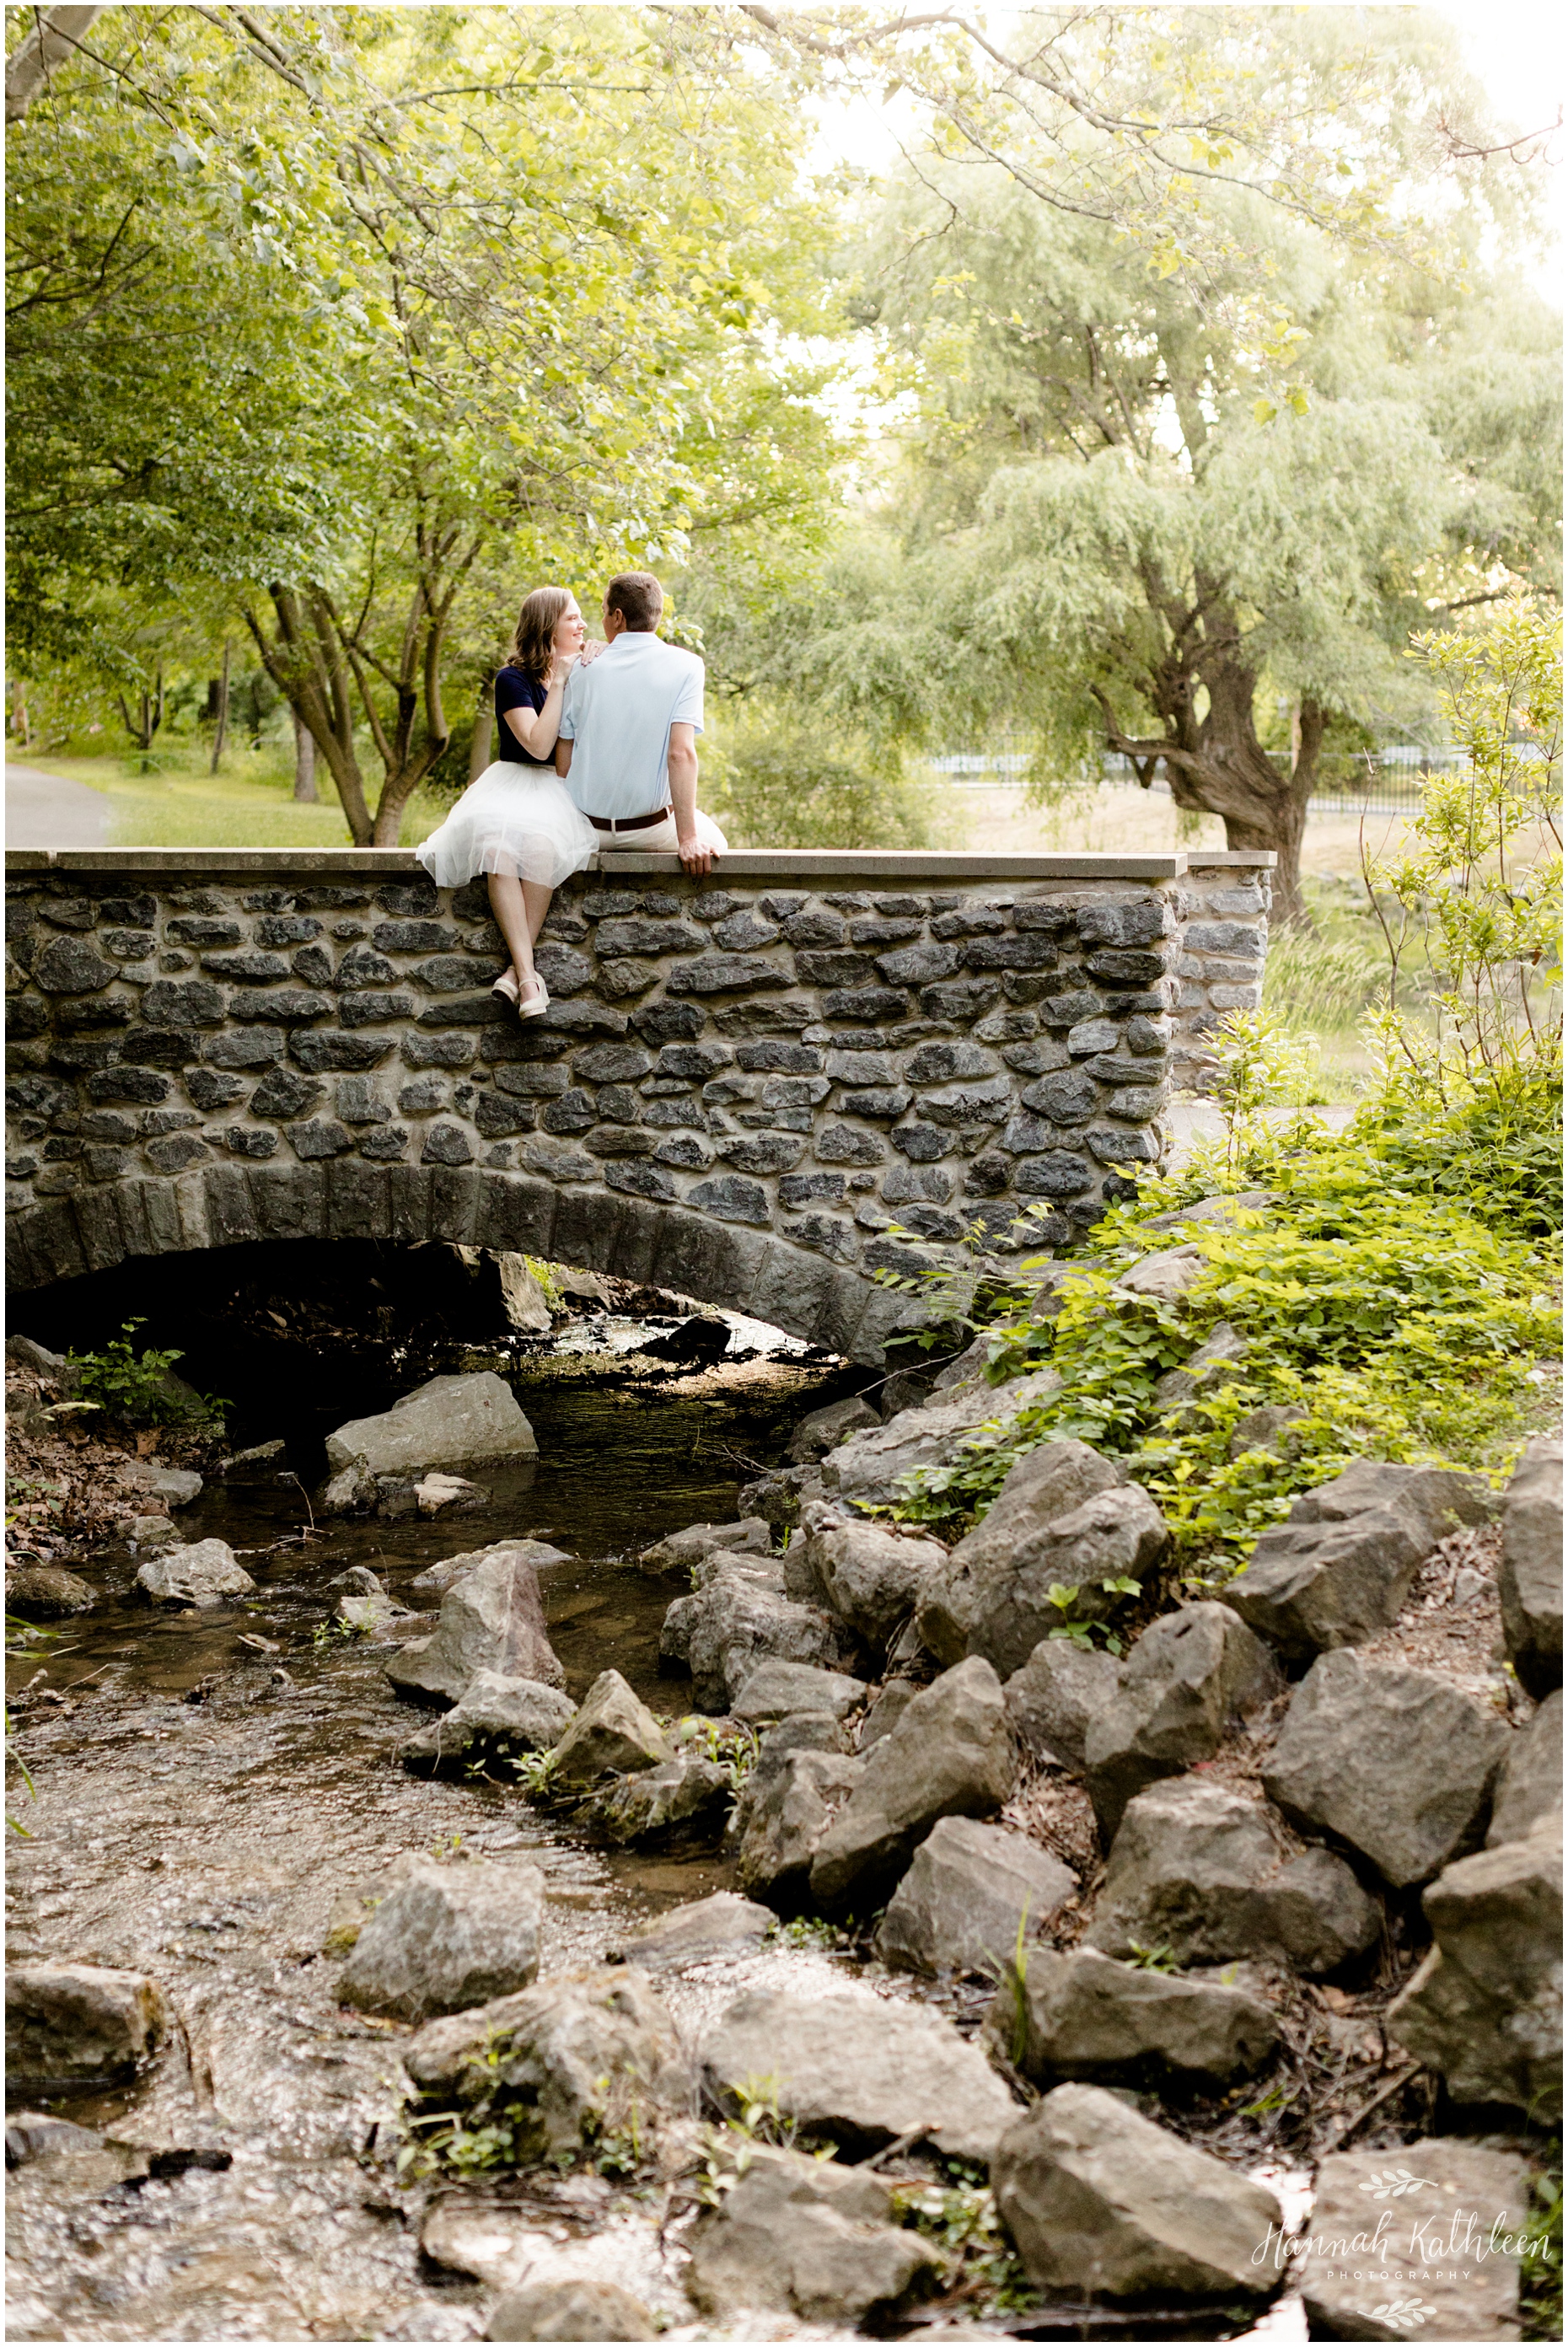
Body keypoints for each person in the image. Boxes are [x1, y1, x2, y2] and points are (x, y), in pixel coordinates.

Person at [416, 587, 597, 1016]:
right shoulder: (511, 679)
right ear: (548, 625)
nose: (583, 625)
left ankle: (516, 976)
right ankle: (530, 976)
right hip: (514, 784)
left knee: (539, 848)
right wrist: (560, 681)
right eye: (573, 618)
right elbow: (536, 745)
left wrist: (584, 667)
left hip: (557, 789)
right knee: (498, 850)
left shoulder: (585, 673)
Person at [555, 572, 728, 874]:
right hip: (650, 832)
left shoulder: (581, 670)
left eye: (604, 613)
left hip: (584, 832)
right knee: (717, 844)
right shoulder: (687, 666)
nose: (604, 620)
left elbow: (564, 759)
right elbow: (681, 754)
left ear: (618, 617)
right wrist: (687, 839)